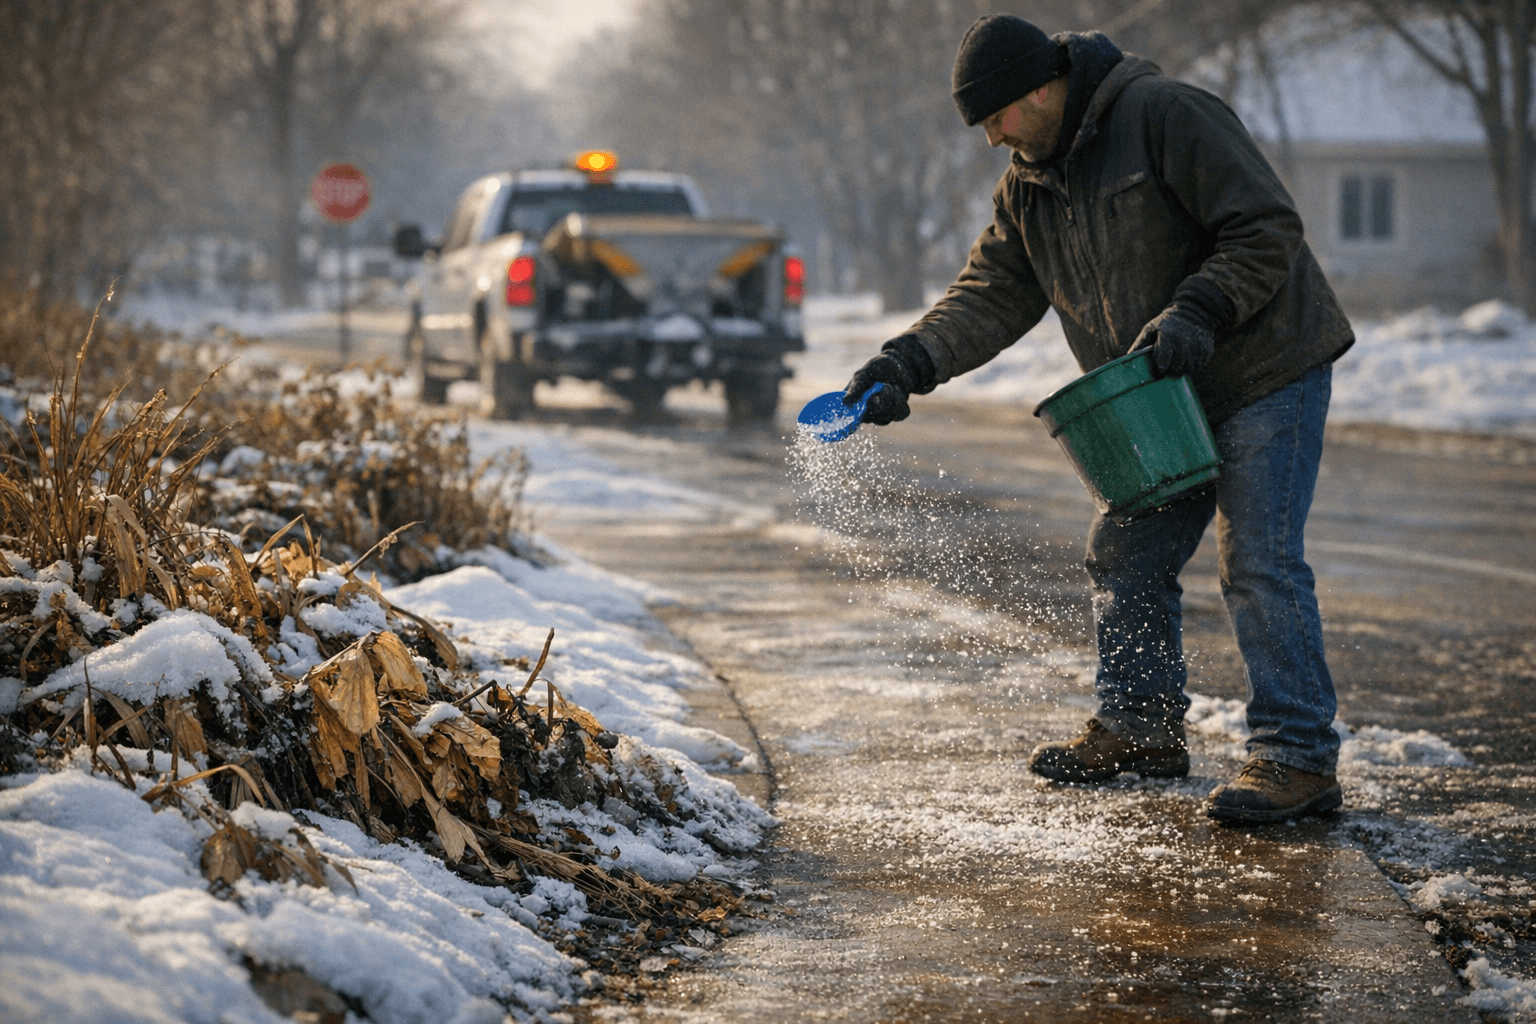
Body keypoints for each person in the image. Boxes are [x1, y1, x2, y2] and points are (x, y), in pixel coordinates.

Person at [843, 15, 1354, 824]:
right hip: (1158, 391)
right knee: (1125, 550)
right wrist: (908, 361)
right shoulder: (1028, 186)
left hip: (1263, 366)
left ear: (1043, 87)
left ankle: (1297, 757)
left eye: (998, 116)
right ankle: (1140, 729)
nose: (993, 138)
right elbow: (991, 293)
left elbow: (1266, 226)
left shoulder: (1165, 115)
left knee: (1257, 560)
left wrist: (1201, 307)